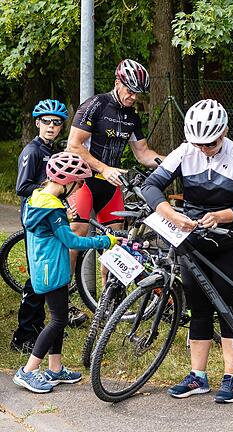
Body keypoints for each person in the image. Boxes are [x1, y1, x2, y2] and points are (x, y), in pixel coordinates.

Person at [141, 99, 233, 404]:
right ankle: (198, 376)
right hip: (194, 241)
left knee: (229, 309)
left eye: (210, 143)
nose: (204, 148)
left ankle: (231, 377)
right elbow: (151, 186)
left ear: (223, 133)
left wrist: (221, 216)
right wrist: (169, 212)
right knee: (198, 307)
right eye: (199, 143)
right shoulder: (185, 151)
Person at [13, 152, 117, 394]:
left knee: (57, 318)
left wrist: (64, 215)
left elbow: (50, 226)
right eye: (79, 183)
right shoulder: (52, 210)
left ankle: (55, 368)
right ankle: (28, 371)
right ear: (67, 182)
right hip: (51, 269)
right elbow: (73, 241)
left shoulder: (39, 198)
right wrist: (106, 241)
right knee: (58, 320)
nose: (79, 188)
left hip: (48, 267)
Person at [66, 59, 162, 273]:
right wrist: (104, 168)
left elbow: (143, 154)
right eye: (130, 91)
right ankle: (61, 301)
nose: (133, 97)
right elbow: (73, 145)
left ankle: (107, 304)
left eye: (138, 93)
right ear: (117, 82)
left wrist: (172, 163)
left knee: (113, 245)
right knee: (75, 237)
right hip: (83, 182)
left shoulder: (132, 117)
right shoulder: (95, 105)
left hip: (110, 187)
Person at [11, 99, 82, 354]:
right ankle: (24, 334)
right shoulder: (33, 151)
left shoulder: (51, 150)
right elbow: (22, 187)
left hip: (49, 213)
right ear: (37, 123)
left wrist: (61, 203)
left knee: (47, 277)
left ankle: (41, 328)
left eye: (57, 122)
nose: (51, 127)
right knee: (38, 279)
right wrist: (52, 196)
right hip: (36, 218)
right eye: (46, 122)